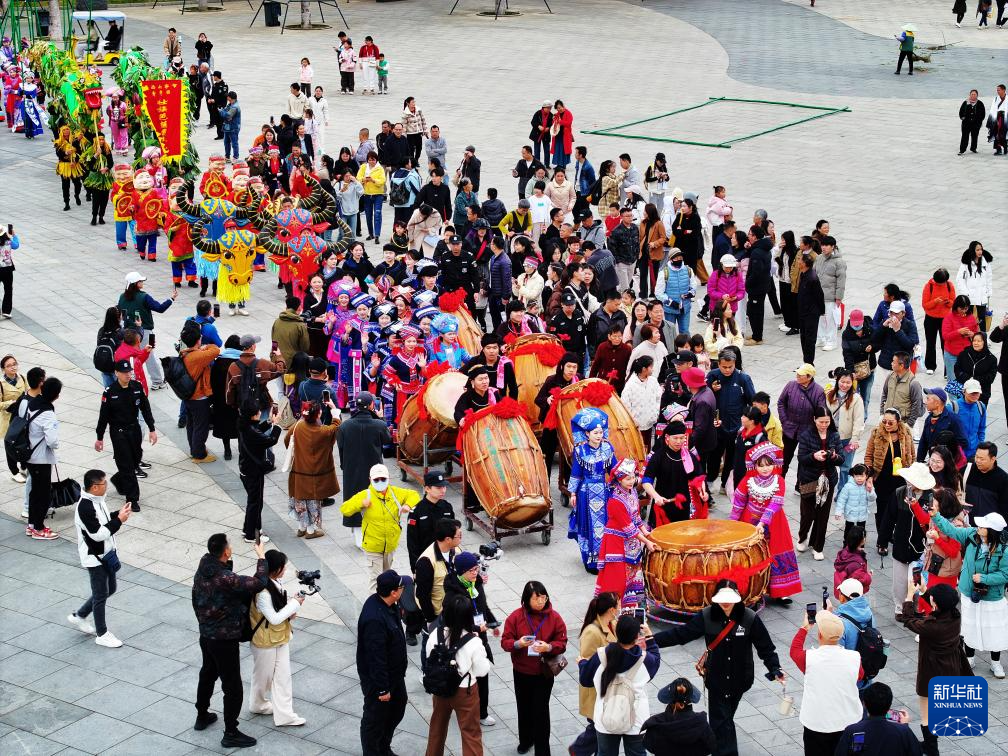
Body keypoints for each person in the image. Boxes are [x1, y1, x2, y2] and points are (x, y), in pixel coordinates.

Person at [653, 580, 784, 756]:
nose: (726, 603)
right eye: (722, 598)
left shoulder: (749, 618)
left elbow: (765, 647)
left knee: (725, 720)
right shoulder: (706, 616)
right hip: (716, 681)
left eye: (729, 598)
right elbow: (681, 635)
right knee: (722, 722)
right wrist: (651, 641)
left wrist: (774, 667)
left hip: (740, 680)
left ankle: (716, 746)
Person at [192, 533, 268, 749]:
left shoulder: (204, 567)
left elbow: (224, 580)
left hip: (206, 634)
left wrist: (227, 562)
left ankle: (202, 715)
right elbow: (258, 582)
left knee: (208, 673)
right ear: (225, 551)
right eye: (230, 546)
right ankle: (231, 732)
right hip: (224, 639)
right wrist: (261, 557)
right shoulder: (225, 578)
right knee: (232, 685)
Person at [930, 509, 1008, 678]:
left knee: (994, 629)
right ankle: (969, 659)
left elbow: (1005, 574)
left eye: (983, 526)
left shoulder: (1004, 549)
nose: (978, 527)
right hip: (970, 591)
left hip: (992, 596)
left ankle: (995, 663)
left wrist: (984, 578)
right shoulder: (972, 534)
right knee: (969, 626)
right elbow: (951, 530)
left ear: (992, 531)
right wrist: (936, 516)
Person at [899, 582, 972, 754]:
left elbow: (908, 620)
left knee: (926, 714)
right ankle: (930, 744)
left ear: (935, 603)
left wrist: (909, 597)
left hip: (931, 673)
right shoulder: (955, 616)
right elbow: (940, 607)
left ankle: (931, 748)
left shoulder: (932, 626)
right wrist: (925, 591)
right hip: (951, 668)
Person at [577, 613, 660, 756]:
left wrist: (582, 663)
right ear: (637, 637)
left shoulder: (600, 656)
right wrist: (650, 637)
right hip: (636, 719)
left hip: (605, 717)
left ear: (616, 632)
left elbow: (585, 679)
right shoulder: (645, 660)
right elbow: (656, 660)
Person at [501, 581, 568, 756]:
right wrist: (518, 643)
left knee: (541, 711)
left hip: (543, 673)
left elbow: (562, 642)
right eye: (536, 598)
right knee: (523, 707)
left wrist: (549, 647)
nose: (541, 602)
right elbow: (505, 642)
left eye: (543, 598)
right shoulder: (516, 617)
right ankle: (526, 740)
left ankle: (543, 751)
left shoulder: (554, 617)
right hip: (521, 671)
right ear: (526, 599)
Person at [730, 442, 802, 603]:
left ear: (774, 464)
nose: (765, 468)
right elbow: (738, 502)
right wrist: (732, 524)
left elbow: (775, 504)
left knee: (777, 552)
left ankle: (781, 591)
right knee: (752, 555)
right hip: (749, 523)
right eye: (761, 465)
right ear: (754, 465)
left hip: (774, 523)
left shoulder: (779, 481)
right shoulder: (748, 480)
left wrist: (762, 523)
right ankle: (752, 589)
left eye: (768, 464)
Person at [67, 469, 132, 647]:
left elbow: (103, 521)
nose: (107, 486)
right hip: (95, 558)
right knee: (101, 594)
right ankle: (102, 634)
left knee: (110, 589)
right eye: (104, 483)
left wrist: (118, 514)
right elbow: (98, 534)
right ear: (95, 487)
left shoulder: (97, 500)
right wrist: (119, 521)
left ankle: (80, 615)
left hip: (106, 554)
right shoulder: (85, 507)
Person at [424, 593, 492, 756]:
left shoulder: (435, 634)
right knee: (470, 733)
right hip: (464, 691)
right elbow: (482, 670)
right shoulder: (473, 641)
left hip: (440, 688)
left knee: (437, 729)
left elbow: (428, 658)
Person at [789, 608, 862, 754]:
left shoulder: (809, 658)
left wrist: (804, 628)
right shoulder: (854, 657)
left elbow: (794, 651)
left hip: (816, 723)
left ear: (820, 635)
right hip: (849, 722)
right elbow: (859, 676)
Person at [249, 549, 306, 727]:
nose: (285, 569)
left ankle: (285, 715)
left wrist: (291, 609)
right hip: (265, 641)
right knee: (263, 677)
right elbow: (274, 618)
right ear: (276, 569)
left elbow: (278, 612)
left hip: (278, 637)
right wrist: (295, 604)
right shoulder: (263, 592)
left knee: (282, 677)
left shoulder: (273, 583)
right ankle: (257, 705)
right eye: (284, 567)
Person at [357, 569, 409, 756]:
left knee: (398, 706)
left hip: (394, 674)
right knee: (374, 719)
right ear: (393, 592)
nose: (403, 590)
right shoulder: (375, 619)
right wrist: (382, 689)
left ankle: (383, 747)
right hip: (379, 681)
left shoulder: (389, 603)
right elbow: (375, 657)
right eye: (401, 588)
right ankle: (373, 751)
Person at [341, 464, 420, 588]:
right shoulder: (365, 495)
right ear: (370, 480)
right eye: (376, 479)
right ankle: (374, 600)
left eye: (383, 479)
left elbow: (414, 494)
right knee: (376, 579)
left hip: (390, 545)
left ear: (388, 478)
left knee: (386, 578)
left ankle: (386, 599)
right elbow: (344, 509)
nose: (380, 482)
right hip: (373, 546)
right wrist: (360, 504)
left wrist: (407, 505)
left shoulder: (395, 493)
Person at [95, 359, 156, 513]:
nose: (128, 375)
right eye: (124, 372)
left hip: (134, 430)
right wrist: (99, 437)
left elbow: (146, 408)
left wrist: (152, 429)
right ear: (116, 373)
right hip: (119, 433)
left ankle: (118, 479)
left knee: (135, 459)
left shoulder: (136, 387)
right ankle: (132, 499)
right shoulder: (110, 392)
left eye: (129, 372)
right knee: (127, 466)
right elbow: (103, 416)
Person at [337, 392, 392, 545]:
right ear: (372, 405)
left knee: (354, 499)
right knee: (375, 499)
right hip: (374, 469)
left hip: (352, 469)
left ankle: (358, 537)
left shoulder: (345, 426)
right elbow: (387, 439)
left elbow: (340, 448)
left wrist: (344, 465)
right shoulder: (378, 425)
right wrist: (380, 418)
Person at [568, 408, 618, 573]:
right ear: (587, 434)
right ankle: (589, 560)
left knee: (605, 525)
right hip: (585, 493)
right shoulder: (580, 451)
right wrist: (572, 493)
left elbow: (614, 470)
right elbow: (576, 473)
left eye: (601, 432)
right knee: (587, 525)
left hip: (604, 491)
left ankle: (603, 557)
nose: (598, 435)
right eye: (595, 433)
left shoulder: (607, 448)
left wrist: (624, 478)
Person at [284, 399, 340, 538]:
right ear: (318, 414)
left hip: (298, 470)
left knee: (299, 500)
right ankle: (311, 530)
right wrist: (334, 410)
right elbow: (336, 426)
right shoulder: (323, 431)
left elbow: (287, 440)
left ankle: (301, 527)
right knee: (313, 501)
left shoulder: (298, 426)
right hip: (314, 473)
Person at [796, 406, 845, 560]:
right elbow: (801, 458)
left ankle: (818, 546)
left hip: (828, 480)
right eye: (821, 422)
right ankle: (802, 538)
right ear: (814, 420)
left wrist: (834, 456)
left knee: (823, 515)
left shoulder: (834, 435)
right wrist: (814, 456)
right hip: (810, 479)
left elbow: (842, 459)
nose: (824, 425)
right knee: (807, 514)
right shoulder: (806, 435)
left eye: (827, 422)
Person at [573, 593, 619, 753]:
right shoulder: (592, 631)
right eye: (618, 606)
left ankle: (578, 750)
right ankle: (578, 750)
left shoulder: (613, 623)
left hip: (609, 687)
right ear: (612, 609)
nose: (620, 609)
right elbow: (586, 664)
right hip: (596, 690)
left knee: (601, 730)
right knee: (598, 728)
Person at [834, 682, 924, 756]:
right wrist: (905, 726)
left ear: (864, 704)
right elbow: (916, 752)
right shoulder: (903, 731)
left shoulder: (854, 730)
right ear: (889, 704)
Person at [237, 402, 282, 544]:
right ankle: (252, 535)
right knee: (255, 503)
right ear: (252, 415)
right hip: (254, 472)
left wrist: (269, 422)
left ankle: (249, 528)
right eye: (257, 412)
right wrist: (277, 425)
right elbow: (270, 440)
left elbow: (257, 430)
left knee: (253, 501)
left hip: (246, 468)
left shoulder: (244, 424)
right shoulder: (250, 431)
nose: (259, 413)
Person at [24, 376, 62, 540]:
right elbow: (52, 441)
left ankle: (32, 525)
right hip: (40, 458)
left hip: (29, 454)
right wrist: (56, 445)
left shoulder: (32, 403)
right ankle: (39, 528)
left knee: (35, 492)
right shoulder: (47, 413)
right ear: (56, 395)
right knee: (43, 494)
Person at [641, 677, 716, 756]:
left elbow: (649, 746)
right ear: (690, 699)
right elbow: (711, 746)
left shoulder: (656, 724)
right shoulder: (701, 724)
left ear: (669, 698)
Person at [179, 322, 221, 462]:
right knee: (201, 426)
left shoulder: (184, 353)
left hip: (188, 395)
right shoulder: (198, 356)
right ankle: (199, 455)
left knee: (191, 424)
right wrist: (206, 346)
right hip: (199, 397)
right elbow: (216, 349)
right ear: (198, 340)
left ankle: (194, 449)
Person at [777, 363, 826, 477]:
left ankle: (800, 484)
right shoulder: (791, 385)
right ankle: (780, 481)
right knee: (784, 459)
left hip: (807, 431)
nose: (797, 376)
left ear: (809, 377)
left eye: (801, 375)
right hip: (789, 429)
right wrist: (784, 420)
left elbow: (821, 412)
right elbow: (781, 402)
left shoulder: (819, 391)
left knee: (804, 461)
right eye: (797, 374)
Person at [826, 368, 866, 490]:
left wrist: (854, 439)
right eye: (842, 381)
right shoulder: (829, 395)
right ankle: (827, 489)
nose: (844, 385)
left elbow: (859, 421)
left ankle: (841, 492)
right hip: (831, 437)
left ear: (852, 383)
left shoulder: (856, 399)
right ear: (837, 381)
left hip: (847, 439)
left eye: (848, 382)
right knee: (827, 465)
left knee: (845, 468)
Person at [917, 388, 967, 461]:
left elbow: (963, 442)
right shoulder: (929, 419)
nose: (925, 402)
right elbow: (923, 442)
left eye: (928, 399)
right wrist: (919, 462)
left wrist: (946, 453)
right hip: (934, 462)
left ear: (937, 403)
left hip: (948, 463)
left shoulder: (953, 419)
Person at [963, 441, 1008, 522]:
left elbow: (1005, 507)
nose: (978, 461)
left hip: (988, 525)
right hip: (967, 522)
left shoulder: (1003, 479)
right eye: (976, 457)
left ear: (993, 459)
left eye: (982, 459)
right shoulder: (967, 470)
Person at [842, 309, 877, 406]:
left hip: (869, 368)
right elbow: (847, 354)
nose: (857, 326)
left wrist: (872, 347)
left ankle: (864, 415)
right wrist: (851, 372)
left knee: (865, 399)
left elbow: (878, 343)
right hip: (854, 370)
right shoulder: (846, 334)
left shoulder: (870, 330)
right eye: (855, 324)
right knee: (853, 399)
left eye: (858, 324)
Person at [879, 351, 924, 428]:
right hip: (887, 422)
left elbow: (916, 405)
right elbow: (884, 395)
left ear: (901, 365)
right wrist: (882, 414)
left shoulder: (913, 383)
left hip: (903, 423)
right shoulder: (890, 377)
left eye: (894, 362)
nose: (891, 363)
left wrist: (909, 424)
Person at [955, 241, 993, 330]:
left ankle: (983, 335)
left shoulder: (985, 262)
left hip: (982, 296)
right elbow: (960, 279)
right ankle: (969, 335)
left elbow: (989, 278)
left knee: (982, 318)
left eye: (981, 249)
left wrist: (988, 292)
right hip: (970, 297)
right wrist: (966, 293)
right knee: (968, 318)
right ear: (973, 250)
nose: (980, 252)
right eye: (977, 250)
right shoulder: (966, 263)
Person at [0, 354, 27, 480]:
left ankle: (24, 466)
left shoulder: (22, 378)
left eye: (14, 364)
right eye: (9, 366)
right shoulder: (1, 384)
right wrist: (11, 403)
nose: (13, 367)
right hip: (8, 419)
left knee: (24, 441)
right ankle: (14, 472)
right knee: (10, 445)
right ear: (3, 369)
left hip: (22, 416)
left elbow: (28, 392)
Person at [796, 253, 825, 364]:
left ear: (804, 264)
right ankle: (806, 362)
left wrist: (821, 311)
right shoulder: (803, 274)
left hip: (811, 313)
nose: (798, 261)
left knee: (809, 340)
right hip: (803, 312)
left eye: (800, 260)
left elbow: (819, 295)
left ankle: (809, 363)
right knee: (803, 338)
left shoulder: (812, 278)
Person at [834, 464, 876, 540]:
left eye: (862, 476)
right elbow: (841, 500)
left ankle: (861, 544)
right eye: (857, 476)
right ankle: (847, 543)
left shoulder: (867, 486)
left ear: (866, 476)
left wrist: (870, 491)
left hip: (862, 513)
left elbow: (872, 499)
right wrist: (838, 512)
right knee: (848, 530)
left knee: (861, 531)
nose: (859, 478)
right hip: (851, 513)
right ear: (853, 476)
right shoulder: (848, 486)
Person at [954, 331, 998, 405]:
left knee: (978, 411)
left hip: (982, 394)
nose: (976, 343)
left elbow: (990, 378)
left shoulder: (991, 359)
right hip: (964, 392)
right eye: (974, 340)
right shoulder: (964, 354)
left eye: (979, 341)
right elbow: (957, 369)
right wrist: (966, 378)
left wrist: (974, 380)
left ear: (984, 342)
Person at [0, 224, 19, 319]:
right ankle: (6, 311)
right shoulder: (9, 242)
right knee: (8, 290)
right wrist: (14, 235)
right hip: (7, 268)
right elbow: (16, 245)